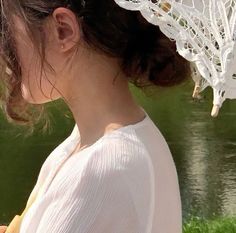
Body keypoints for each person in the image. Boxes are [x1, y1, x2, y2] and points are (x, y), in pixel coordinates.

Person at [0, 0, 190, 233]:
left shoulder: (101, 169)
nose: (4, 45)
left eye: (7, 28)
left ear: (63, 30)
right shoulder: (91, 144)